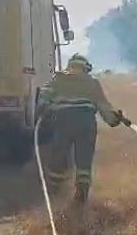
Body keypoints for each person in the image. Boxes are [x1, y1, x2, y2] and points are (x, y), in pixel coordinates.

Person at [36, 54, 131, 203]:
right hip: (86, 122)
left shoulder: (58, 79)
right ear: (85, 68)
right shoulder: (92, 82)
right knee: (84, 160)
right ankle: (82, 192)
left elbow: (44, 97)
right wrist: (114, 120)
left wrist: (41, 111)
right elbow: (103, 106)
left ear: (70, 66)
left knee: (59, 156)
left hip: (63, 121)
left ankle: (54, 191)